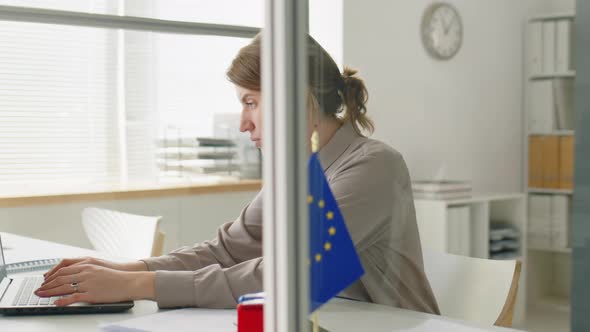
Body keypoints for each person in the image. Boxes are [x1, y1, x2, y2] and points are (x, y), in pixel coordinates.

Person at [36, 34, 440, 314]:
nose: (243, 124)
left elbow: (289, 275)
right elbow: (226, 251)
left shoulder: (373, 167)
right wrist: (127, 270)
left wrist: (139, 287)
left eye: (250, 102)